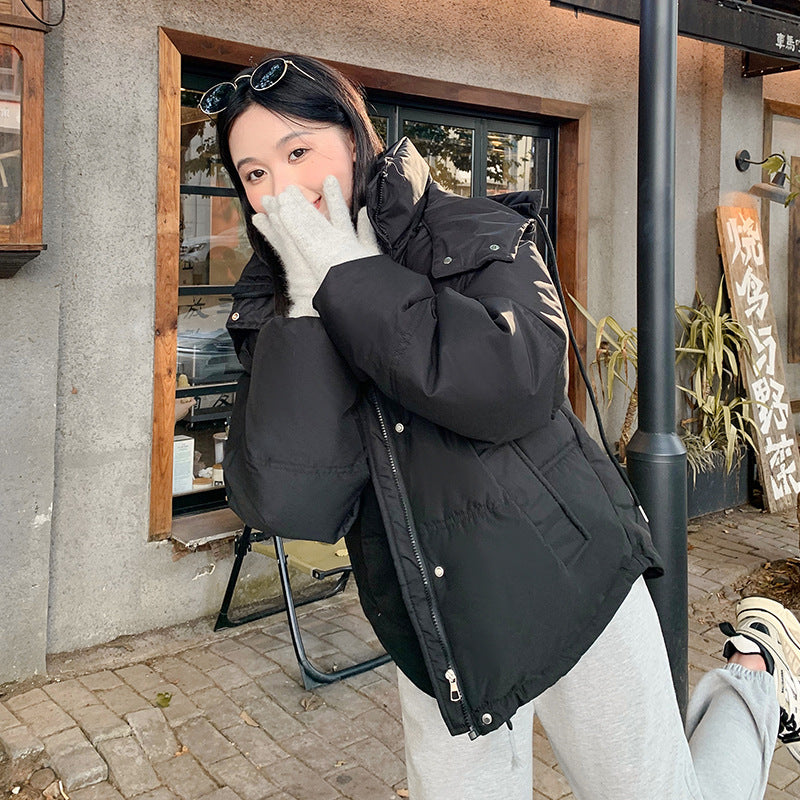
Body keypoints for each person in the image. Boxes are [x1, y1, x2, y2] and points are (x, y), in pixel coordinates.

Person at [202, 53, 800, 799]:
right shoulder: (274, 302)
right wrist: (307, 303)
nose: (282, 190)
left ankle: (756, 675)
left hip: (571, 581)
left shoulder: (473, 227)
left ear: (353, 139)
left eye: (298, 152)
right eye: (255, 173)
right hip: (437, 625)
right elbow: (292, 502)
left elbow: (515, 385)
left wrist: (349, 279)